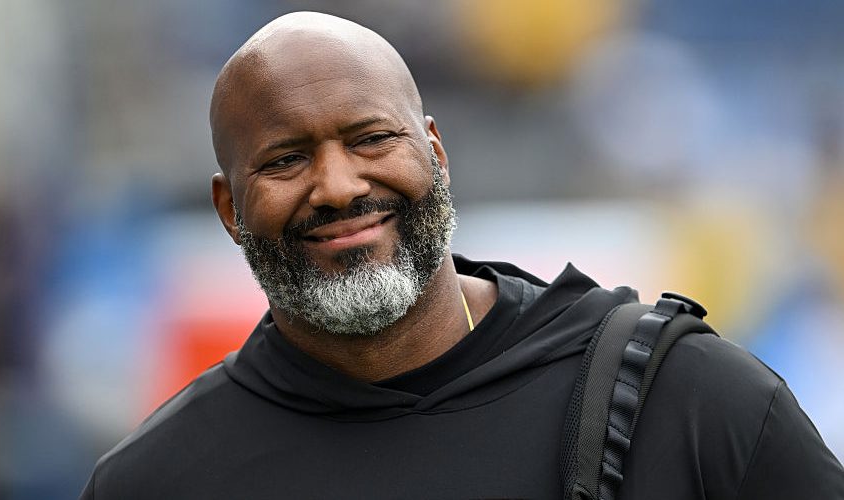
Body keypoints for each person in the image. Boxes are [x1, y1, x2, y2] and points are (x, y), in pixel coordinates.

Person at [81, 11, 844, 499]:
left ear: (435, 154)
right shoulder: (156, 480)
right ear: (228, 209)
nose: (338, 186)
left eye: (371, 139)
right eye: (285, 159)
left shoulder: (687, 402)